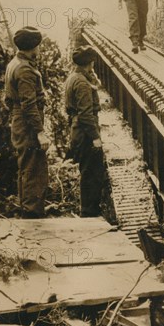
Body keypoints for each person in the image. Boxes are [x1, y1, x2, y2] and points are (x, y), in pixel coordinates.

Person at [4, 26, 49, 218]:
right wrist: (40, 132)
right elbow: (29, 105)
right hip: (28, 123)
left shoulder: (14, 63)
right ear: (33, 47)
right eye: (38, 46)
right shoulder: (24, 69)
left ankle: (27, 208)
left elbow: (8, 99)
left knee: (26, 165)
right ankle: (32, 213)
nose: (39, 50)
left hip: (20, 121)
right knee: (34, 167)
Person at [65, 45, 105, 217]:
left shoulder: (75, 77)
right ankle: (90, 213)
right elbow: (85, 115)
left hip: (78, 130)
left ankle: (90, 211)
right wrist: (95, 137)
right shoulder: (81, 83)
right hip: (85, 132)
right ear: (90, 63)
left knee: (88, 171)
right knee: (92, 173)